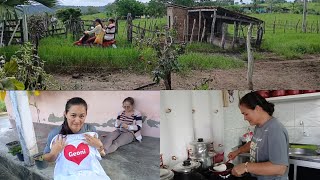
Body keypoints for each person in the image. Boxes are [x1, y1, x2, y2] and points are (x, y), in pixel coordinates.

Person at [43, 97, 110, 180]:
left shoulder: (91, 131)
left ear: (86, 115)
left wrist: (100, 146)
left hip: (93, 175)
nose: (77, 120)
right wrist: (53, 153)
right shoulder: (55, 135)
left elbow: (102, 154)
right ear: (65, 114)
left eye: (82, 116)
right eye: (73, 115)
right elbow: (45, 158)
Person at [228, 91, 289, 180]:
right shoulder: (259, 126)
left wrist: (246, 167)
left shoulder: (275, 129)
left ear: (257, 109)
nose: (244, 118)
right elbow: (254, 143)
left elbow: (280, 168)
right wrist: (237, 152)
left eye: (246, 114)